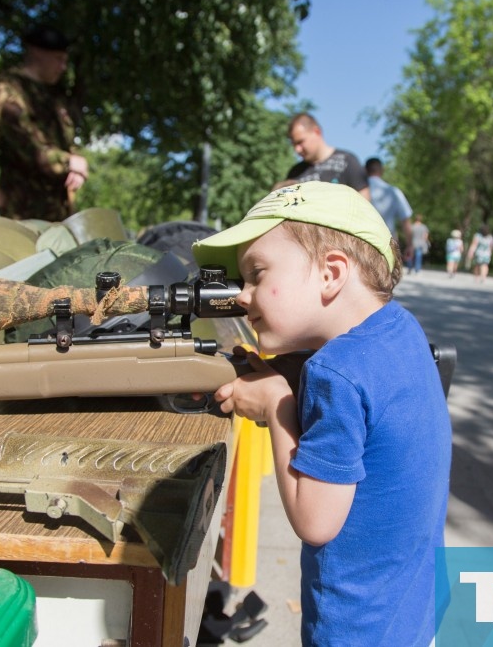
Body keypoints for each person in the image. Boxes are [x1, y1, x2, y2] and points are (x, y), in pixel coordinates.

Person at [193, 182, 450, 646]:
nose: (242, 296)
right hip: (412, 611)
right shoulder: (400, 329)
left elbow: (315, 522)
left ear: (331, 273)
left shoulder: (336, 373)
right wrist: (288, 373)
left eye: (256, 273)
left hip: (356, 628)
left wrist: (277, 406)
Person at [0, 24, 88, 222]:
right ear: (37, 54)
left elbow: (65, 140)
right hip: (23, 212)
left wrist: (76, 165)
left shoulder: (54, 96)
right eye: (59, 59)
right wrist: (69, 162)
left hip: (59, 211)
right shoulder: (7, 90)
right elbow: (26, 145)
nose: (63, 67)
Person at [275, 113, 370, 199]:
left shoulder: (347, 161)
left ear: (317, 132)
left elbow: (365, 205)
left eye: (300, 142)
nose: (297, 149)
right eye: (294, 144)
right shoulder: (295, 172)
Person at [365, 157, 413, 264]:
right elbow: (406, 222)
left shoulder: (356, 191)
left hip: (362, 244)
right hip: (387, 245)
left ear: (365, 170)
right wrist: (410, 245)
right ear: (382, 170)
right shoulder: (394, 192)